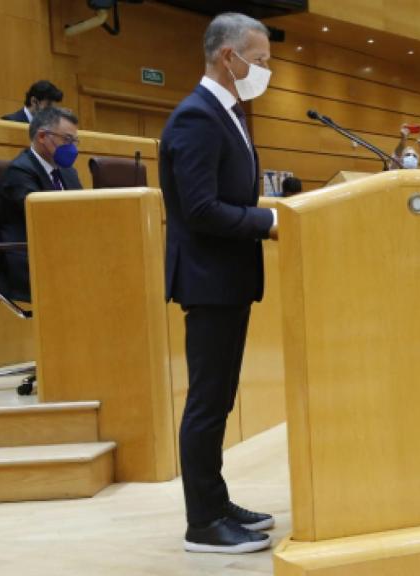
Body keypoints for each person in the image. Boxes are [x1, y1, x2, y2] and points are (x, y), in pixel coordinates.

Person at [160, 12, 278, 555]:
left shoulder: (227, 113)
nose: (265, 70)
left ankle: (216, 500)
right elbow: (202, 209)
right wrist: (268, 222)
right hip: (208, 280)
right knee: (207, 403)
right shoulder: (196, 117)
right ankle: (202, 523)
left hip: (228, 278)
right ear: (228, 57)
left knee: (220, 398)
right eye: (260, 60)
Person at [0, 106, 82, 302]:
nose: (72, 148)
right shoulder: (19, 172)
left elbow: (81, 212)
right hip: (31, 259)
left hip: (63, 253)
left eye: (75, 141)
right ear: (42, 136)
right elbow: (45, 220)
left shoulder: (68, 172)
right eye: (67, 140)